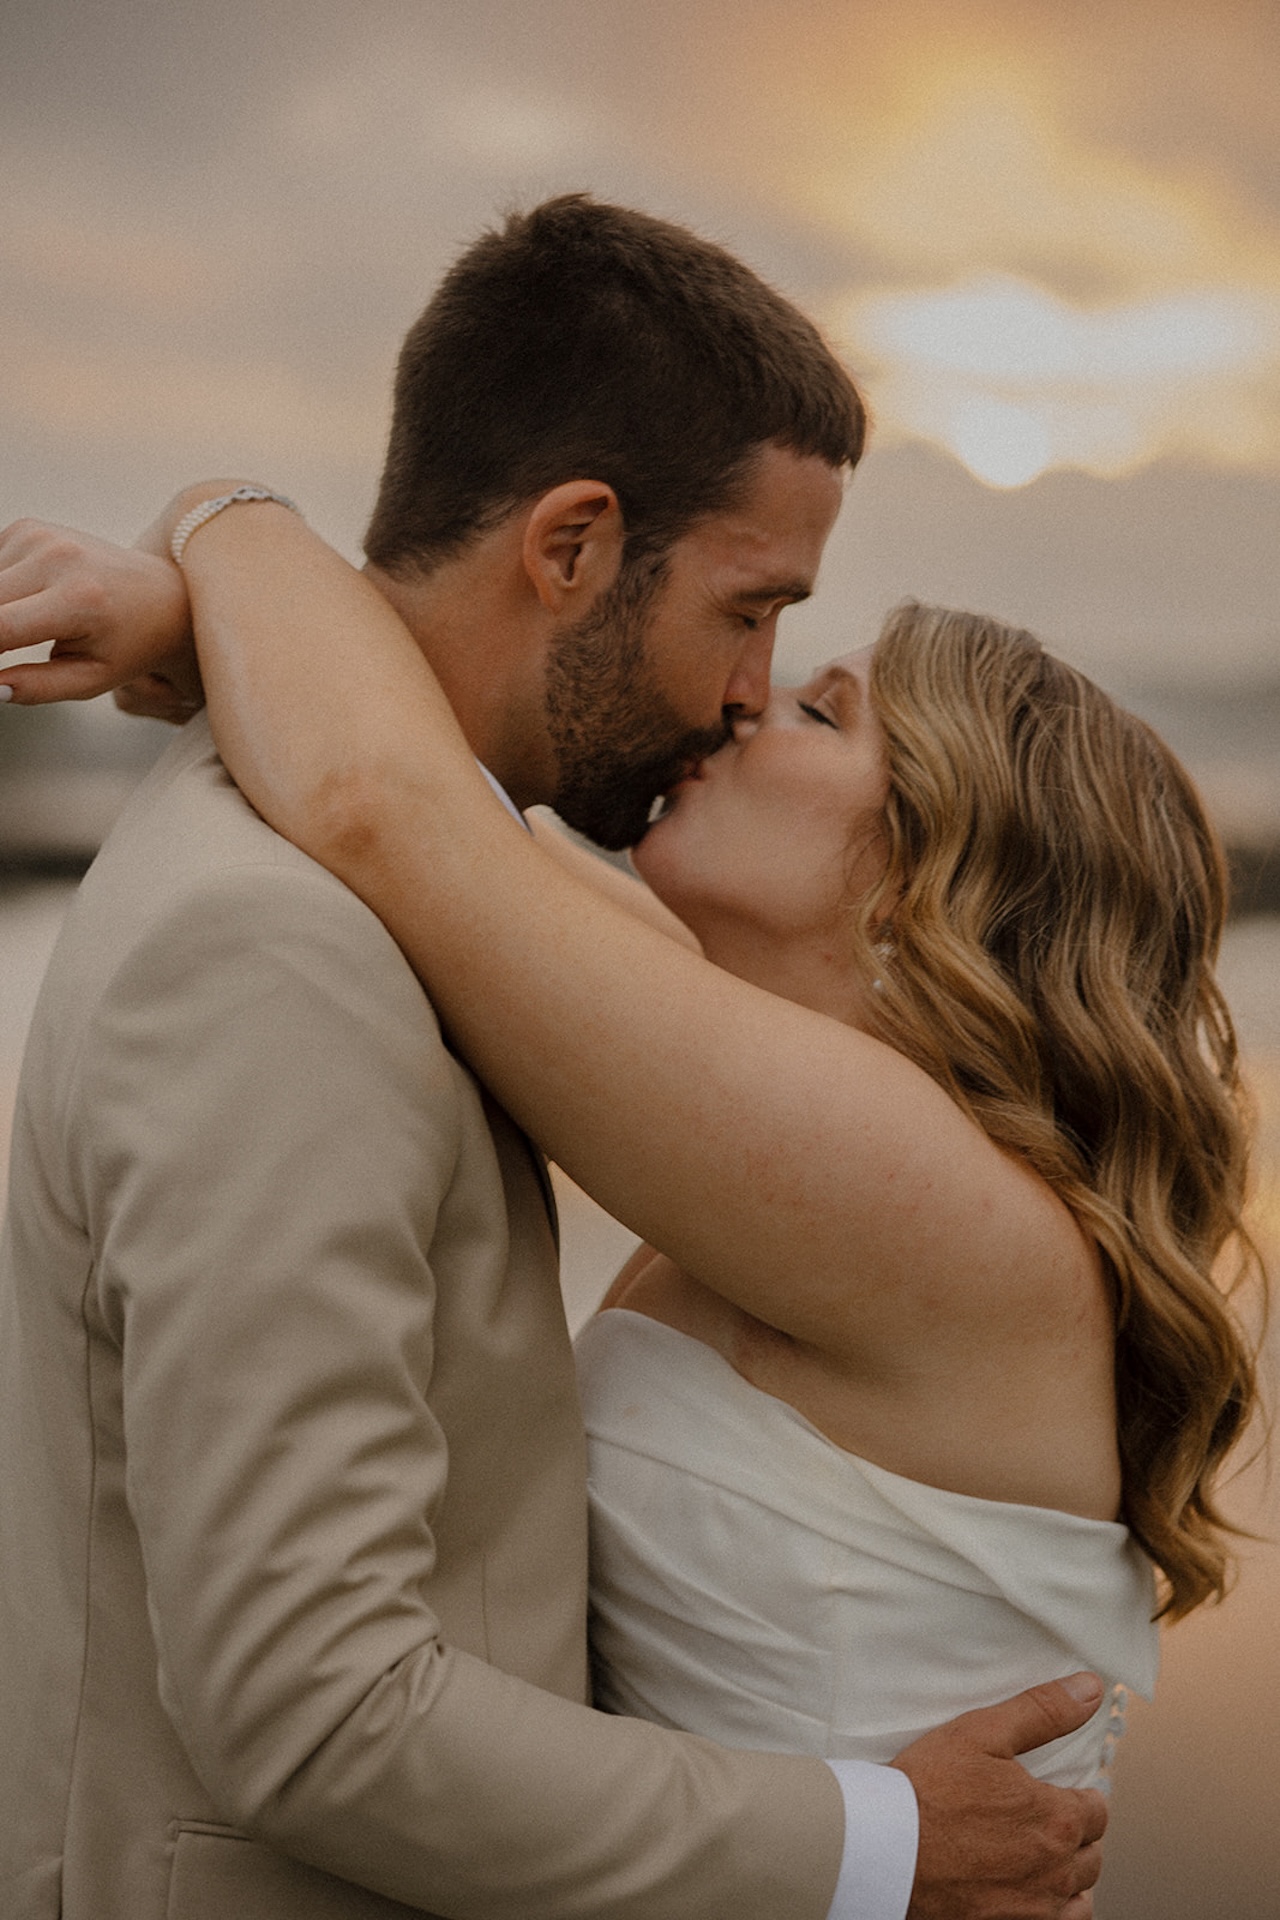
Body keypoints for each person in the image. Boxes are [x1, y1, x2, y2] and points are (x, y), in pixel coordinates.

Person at [0, 197, 1113, 1920]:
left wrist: (215, 544)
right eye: (758, 619)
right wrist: (213, 576)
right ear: (576, 546)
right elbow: (313, 1692)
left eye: (814, 694)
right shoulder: (291, 945)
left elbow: (390, 795)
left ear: (938, 883)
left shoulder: (512, 942)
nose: (751, 695)